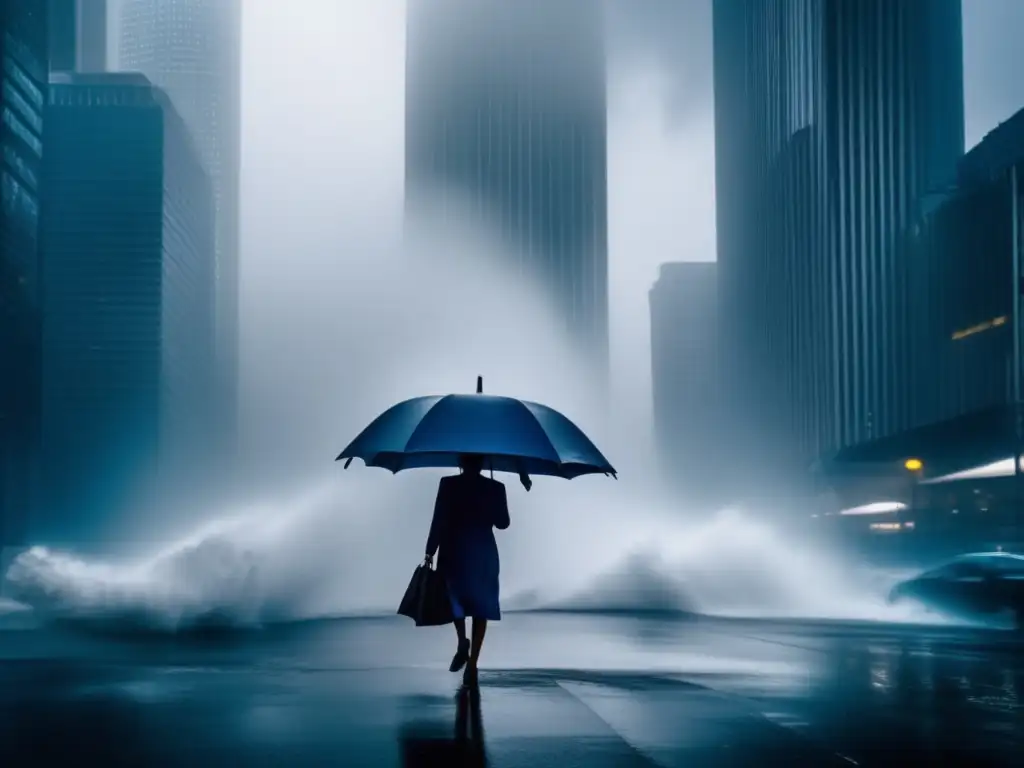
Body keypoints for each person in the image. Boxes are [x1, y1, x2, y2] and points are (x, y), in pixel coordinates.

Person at [424, 453, 510, 685]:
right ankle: (472, 664)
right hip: (483, 552)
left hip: (454, 548)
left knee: (456, 599)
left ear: (460, 462)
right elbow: (503, 523)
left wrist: (430, 549)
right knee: (481, 605)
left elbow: (439, 518)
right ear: (483, 463)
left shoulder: (448, 484)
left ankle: (462, 641)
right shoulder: (495, 487)